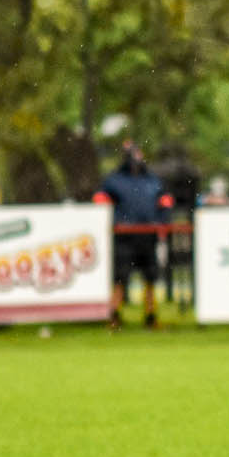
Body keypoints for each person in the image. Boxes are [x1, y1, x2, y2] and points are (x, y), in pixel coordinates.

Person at [97, 139, 171, 328]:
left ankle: (151, 316)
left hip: (147, 235)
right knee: (120, 277)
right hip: (124, 236)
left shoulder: (152, 180)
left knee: (150, 277)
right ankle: (114, 316)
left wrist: (160, 223)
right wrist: (114, 222)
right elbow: (100, 201)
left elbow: (165, 202)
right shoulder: (115, 180)